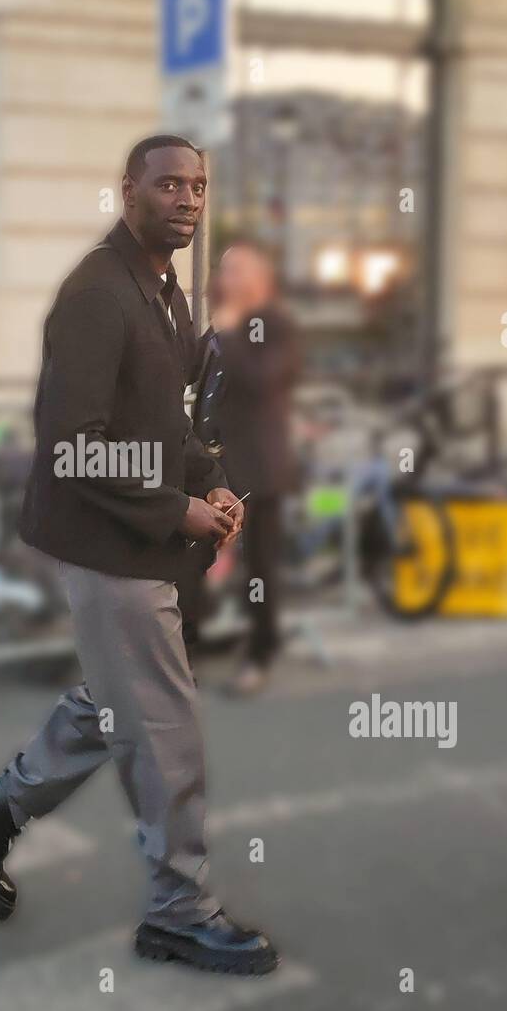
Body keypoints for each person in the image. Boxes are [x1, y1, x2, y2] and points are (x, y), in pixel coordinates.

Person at [0, 135, 280, 976]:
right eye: (168, 184)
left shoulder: (162, 290)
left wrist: (214, 481)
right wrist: (179, 508)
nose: (188, 199)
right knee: (166, 731)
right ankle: (178, 912)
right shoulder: (95, 295)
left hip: (142, 540)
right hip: (108, 546)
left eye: (197, 185)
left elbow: (165, 423)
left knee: (116, 702)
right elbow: (74, 449)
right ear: (127, 192)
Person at [182, 238, 301, 697]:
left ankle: (260, 653)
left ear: (257, 280)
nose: (221, 279)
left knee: (259, 567)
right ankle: (186, 652)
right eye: (221, 270)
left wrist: (230, 333)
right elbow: (187, 372)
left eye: (233, 271)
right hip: (211, 467)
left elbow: (263, 379)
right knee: (192, 555)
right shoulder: (219, 329)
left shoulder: (274, 325)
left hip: (257, 468)